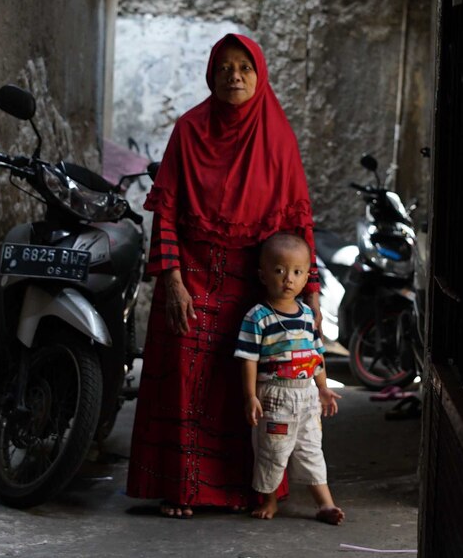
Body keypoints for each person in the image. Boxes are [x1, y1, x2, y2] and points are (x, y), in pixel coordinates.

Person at [126, 33, 321, 518]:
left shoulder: (277, 136)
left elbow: (298, 224)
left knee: (247, 385)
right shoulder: (190, 129)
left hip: (254, 283)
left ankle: (244, 489)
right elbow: (165, 211)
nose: (234, 76)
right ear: (211, 74)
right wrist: (171, 281)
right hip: (191, 276)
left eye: (245, 68)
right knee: (184, 380)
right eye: (224, 67)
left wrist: (309, 289)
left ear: (260, 75)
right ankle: (181, 490)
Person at [234, 232, 344, 524]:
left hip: (306, 396)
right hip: (274, 394)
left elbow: (316, 356)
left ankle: (325, 504)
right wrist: (250, 396)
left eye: (297, 272)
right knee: (272, 451)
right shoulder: (258, 317)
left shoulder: (308, 315)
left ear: (307, 275)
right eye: (279, 271)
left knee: (311, 449)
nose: (288, 279)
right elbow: (248, 358)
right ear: (262, 274)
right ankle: (269, 501)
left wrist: (323, 389)